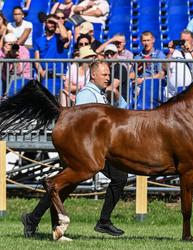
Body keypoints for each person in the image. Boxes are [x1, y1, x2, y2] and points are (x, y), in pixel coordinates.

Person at [21, 62, 127, 240]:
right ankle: (34, 219)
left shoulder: (100, 95)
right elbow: (82, 124)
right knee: (65, 184)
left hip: (98, 151)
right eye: (105, 74)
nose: (108, 77)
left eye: (109, 74)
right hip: (86, 151)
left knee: (70, 184)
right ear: (93, 75)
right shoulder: (87, 95)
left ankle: (33, 219)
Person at [167, 29, 193, 97]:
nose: (184, 42)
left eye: (186, 40)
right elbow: (164, 67)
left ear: (192, 41)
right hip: (173, 93)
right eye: (182, 40)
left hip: (191, 93)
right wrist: (170, 52)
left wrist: (191, 51)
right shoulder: (175, 53)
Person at [34, 14, 69, 81]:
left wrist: (58, 22)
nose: (52, 24)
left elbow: (65, 36)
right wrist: (41, 72)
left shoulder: (59, 38)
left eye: (54, 23)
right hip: (45, 75)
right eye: (50, 22)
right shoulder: (38, 40)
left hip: (59, 75)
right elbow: (37, 61)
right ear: (45, 23)